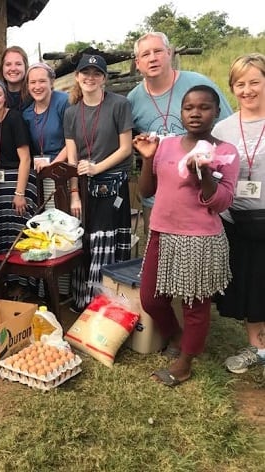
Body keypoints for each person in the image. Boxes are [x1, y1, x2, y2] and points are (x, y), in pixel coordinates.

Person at [133, 85, 239, 387]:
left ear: (216, 112)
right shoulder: (165, 146)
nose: (195, 113)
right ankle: (177, 336)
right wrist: (147, 158)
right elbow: (145, 191)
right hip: (162, 232)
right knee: (151, 298)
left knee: (195, 304)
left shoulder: (225, 152)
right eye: (189, 107)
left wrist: (203, 172)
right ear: (182, 112)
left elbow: (220, 202)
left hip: (200, 239)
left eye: (204, 107)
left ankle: (186, 361)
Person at [127, 31, 233, 235]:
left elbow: (226, 129)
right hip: (159, 198)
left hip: (201, 191)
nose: (153, 58)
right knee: (160, 259)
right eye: (146, 54)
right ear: (138, 62)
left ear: (169, 53)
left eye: (158, 51)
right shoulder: (133, 100)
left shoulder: (197, 84)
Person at [65, 54, 134, 312]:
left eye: (96, 73)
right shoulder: (71, 112)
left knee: (107, 244)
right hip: (83, 187)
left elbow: (126, 148)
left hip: (113, 184)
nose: (90, 78)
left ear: (104, 78)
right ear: (77, 76)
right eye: (86, 72)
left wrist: (97, 167)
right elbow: (72, 158)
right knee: (86, 243)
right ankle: (84, 301)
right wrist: (74, 193)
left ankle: (106, 306)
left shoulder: (119, 104)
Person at [212, 53, 265, 374]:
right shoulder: (223, 129)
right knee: (250, 287)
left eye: (255, 82)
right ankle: (258, 348)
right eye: (240, 84)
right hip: (236, 222)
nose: (247, 90)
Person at [0, 77, 37, 293]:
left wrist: (20, 192)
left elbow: (25, 159)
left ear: (5, 97)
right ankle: (7, 282)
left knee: (19, 231)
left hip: (19, 180)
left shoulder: (15, 119)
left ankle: (25, 284)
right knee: (0, 232)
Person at [22, 63, 69, 172]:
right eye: (32, 82)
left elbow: (74, 140)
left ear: (51, 82)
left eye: (42, 81)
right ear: (28, 86)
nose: (37, 87)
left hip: (65, 168)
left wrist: (53, 165)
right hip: (41, 169)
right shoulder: (27, 114)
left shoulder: (64, 102)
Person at [0, 46, 32, 111]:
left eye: (18, 64)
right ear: (2, 68)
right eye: (8, 64)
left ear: (25, 67)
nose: (13, 68)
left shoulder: (35, 96)